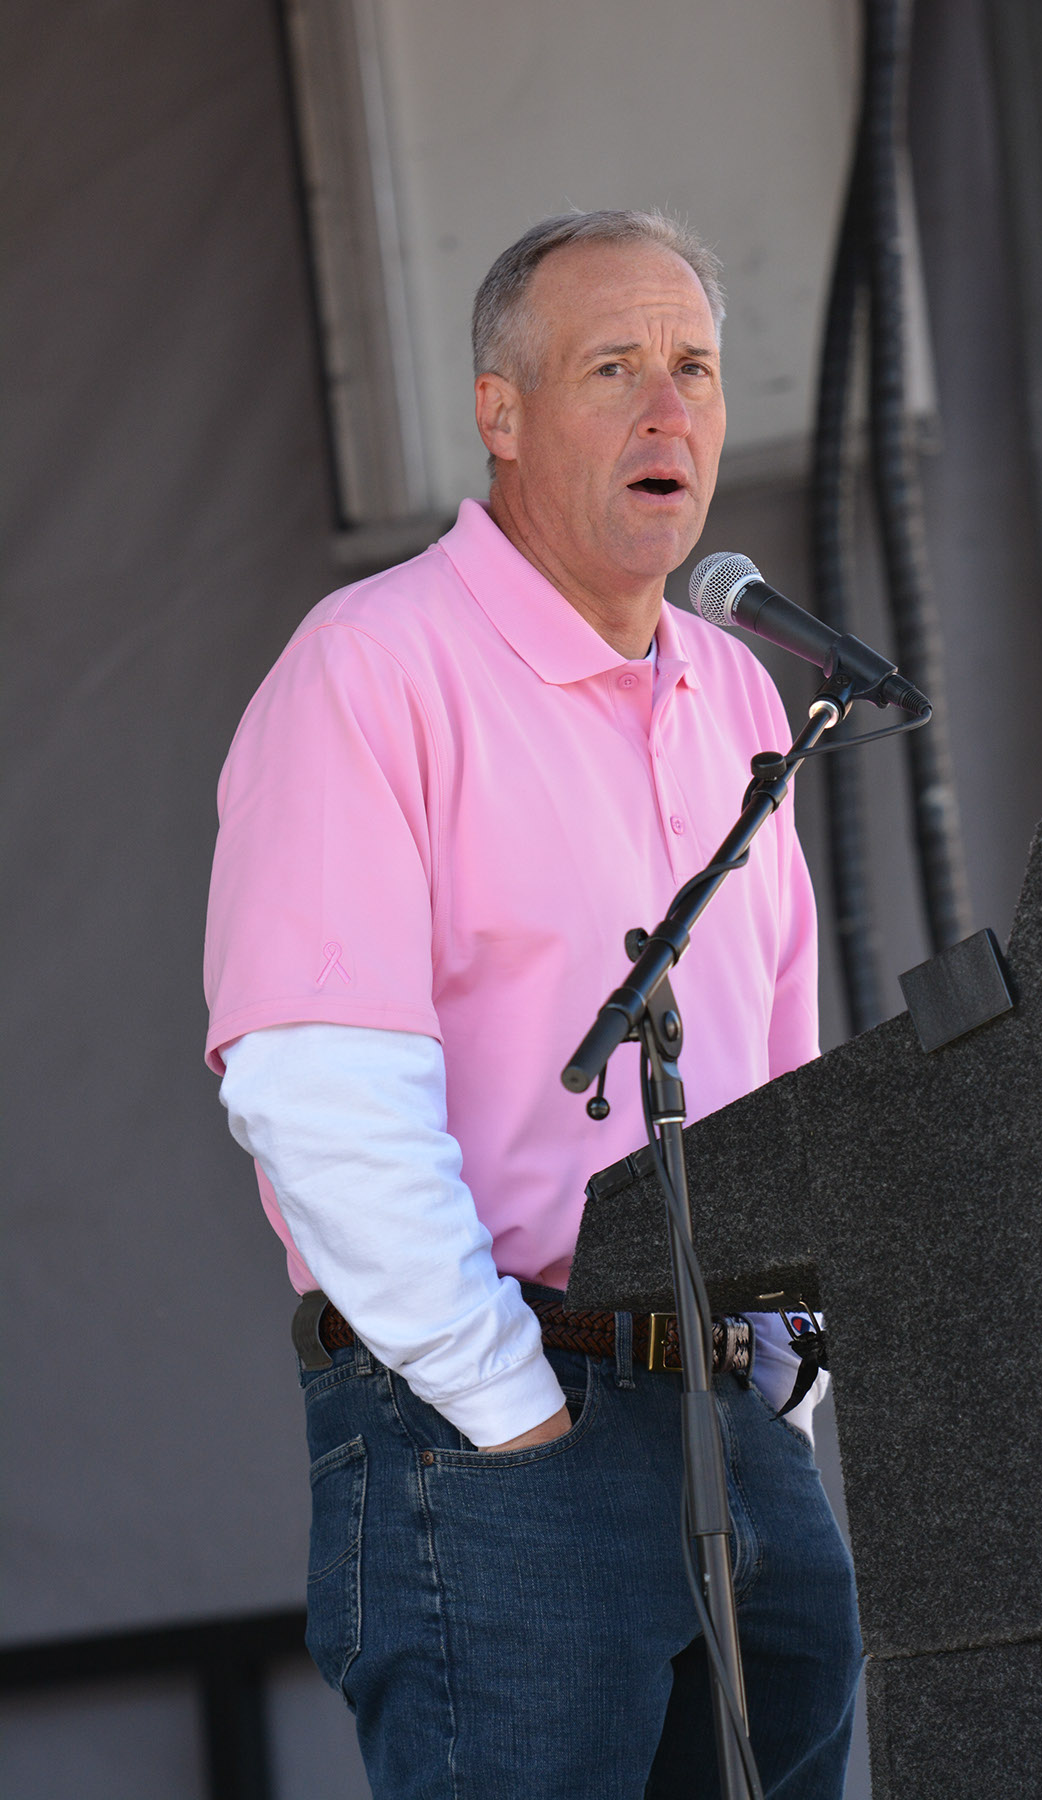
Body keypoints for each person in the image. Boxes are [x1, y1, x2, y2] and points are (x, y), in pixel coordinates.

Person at [205, 209, 861, 1799]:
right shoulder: (371, 667)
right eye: (614, 368)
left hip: (724, 1418)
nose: (668, 411)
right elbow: (309, 1084)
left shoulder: (743, 690)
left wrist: (783, 1363)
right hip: (493, 1418)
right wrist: (507, 1407)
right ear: (499, 414)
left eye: (695, 368)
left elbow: (782, 1062)